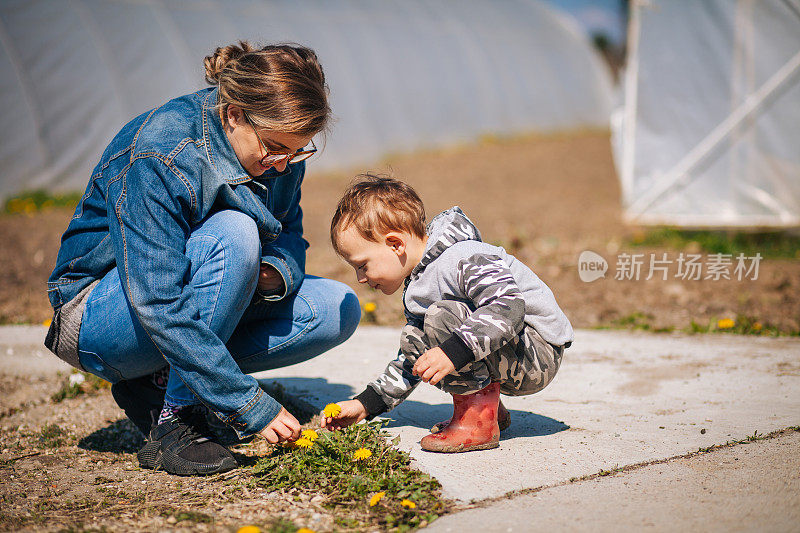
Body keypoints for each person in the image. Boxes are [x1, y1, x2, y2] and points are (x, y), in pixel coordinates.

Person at [44, 42, 361, 475]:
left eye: (299, 151)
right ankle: (178, 420)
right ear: (233, 114)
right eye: (274, 148)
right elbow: (156, 298)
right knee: (234, 235)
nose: (284, 165)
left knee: (335, 309)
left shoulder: (278, 150)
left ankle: (156, 385)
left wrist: (270, 273)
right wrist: (244, 401)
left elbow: (288, 233)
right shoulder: (160, 154)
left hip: (177, 307)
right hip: (101, 319)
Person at [322, 175, 573, 452]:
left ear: (395, 244)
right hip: (511, 355)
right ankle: (488, 411)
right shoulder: (420, 284)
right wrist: (365, 404)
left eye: (362, 265)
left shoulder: (464, 256)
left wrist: (453, 351)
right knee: (415, 335)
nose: (360, 278)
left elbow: (508, 306)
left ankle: (476, 422)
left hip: (536, 355)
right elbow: (413, 357)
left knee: (441, 317)